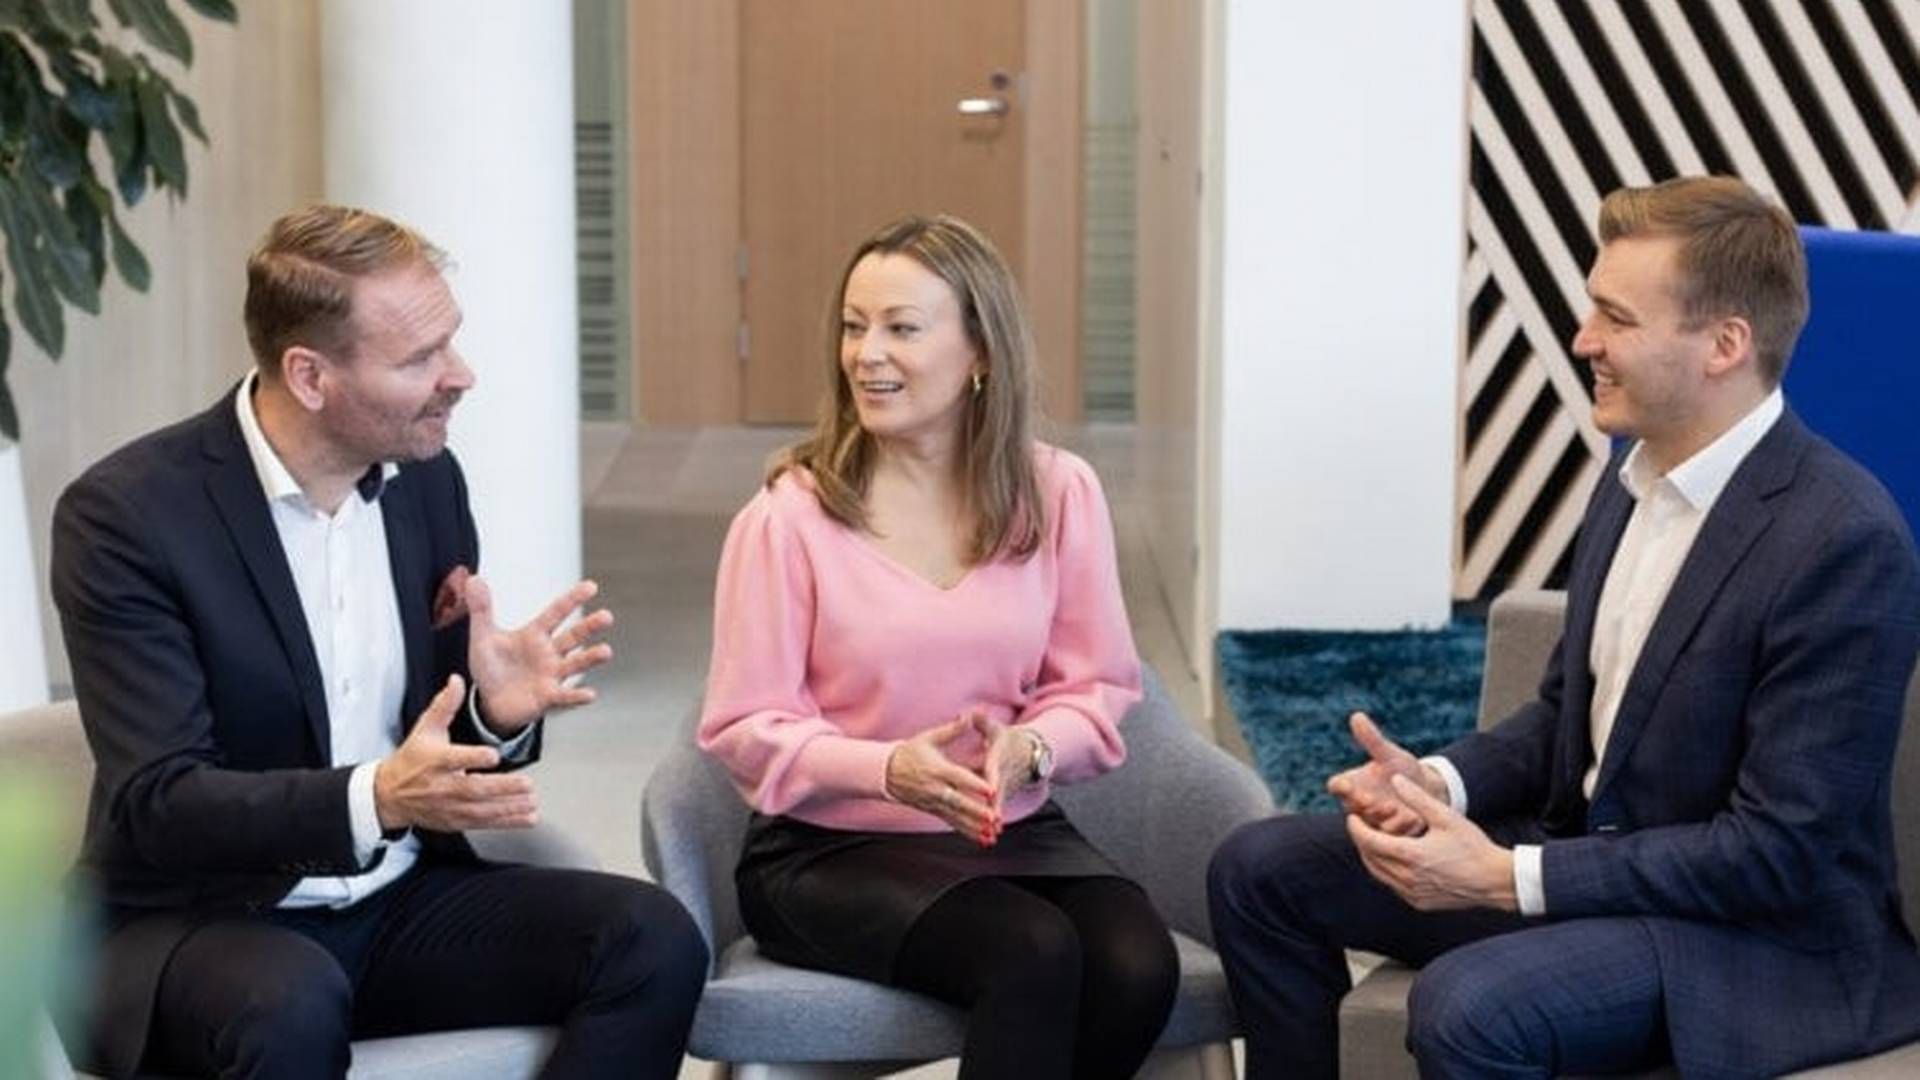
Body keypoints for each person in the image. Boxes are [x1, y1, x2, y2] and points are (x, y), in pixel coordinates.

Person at [1208, 176, 1920, 1078]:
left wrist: (1508, 879)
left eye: (1616, 318)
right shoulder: (1631, 478)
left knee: (1470, 1008)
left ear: (1724, 344)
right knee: (1262, 868)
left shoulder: (1842, 538)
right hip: (1598, 870)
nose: (1584, 340)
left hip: (1751, 937)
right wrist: (1436, 784)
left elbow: (1777, 853)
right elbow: (1564, 717)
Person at [51, 205, 707, 1079]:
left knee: (652, 941)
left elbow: (432, 747)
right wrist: (378, 801)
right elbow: (161, 801)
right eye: (419, 359)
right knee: (288, 1000)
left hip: (394, 901)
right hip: (198, 922)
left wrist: (493, 714)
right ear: (311, 376)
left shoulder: (426, 483)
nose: (460, 376)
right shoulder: (128, 517)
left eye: (451, 343)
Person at [698, 214, 1178, 1079]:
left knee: (1139, 966)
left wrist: (1030, 749)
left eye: (901, 328)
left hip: (1008, 830)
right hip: (825, 848)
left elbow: (1098, 684)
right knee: (1029, 954)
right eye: (854, 326)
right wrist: (889, 770)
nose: (866, 354)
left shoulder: (1059, 493)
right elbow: (743, 725)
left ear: (980, 354)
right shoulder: (788, 519)